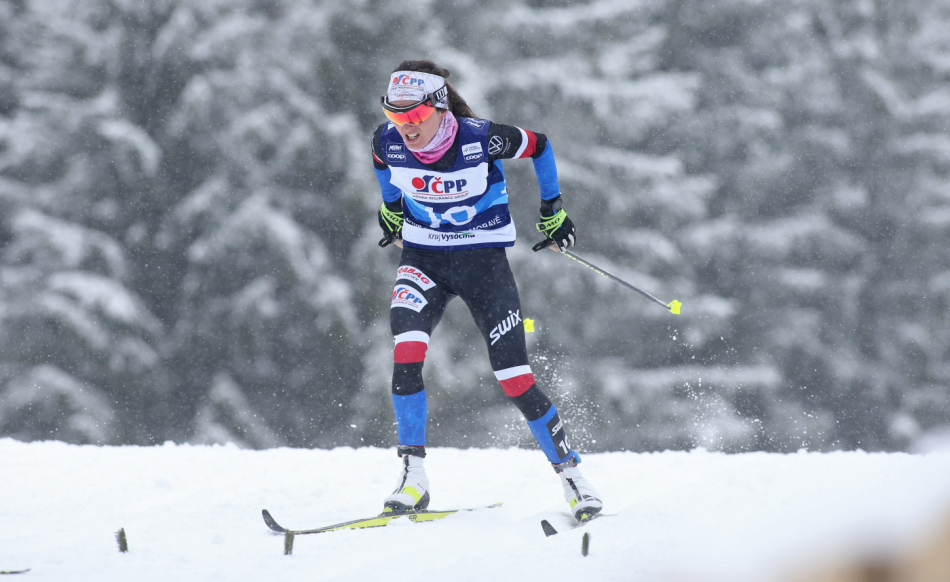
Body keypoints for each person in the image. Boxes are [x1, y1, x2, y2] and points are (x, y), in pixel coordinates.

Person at [372, 60, 602, 522]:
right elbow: (384, 166)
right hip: (424, 261)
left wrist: (553, 209)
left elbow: (540, 145)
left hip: (483, 265)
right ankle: (413, 476)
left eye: (414, 116)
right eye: (397, 116)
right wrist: (391, 208)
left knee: (513, 376)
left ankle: (572, 475)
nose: (406, 128)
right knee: (407, 352)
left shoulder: (480, 137)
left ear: (439, 108)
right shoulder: (386, 140)